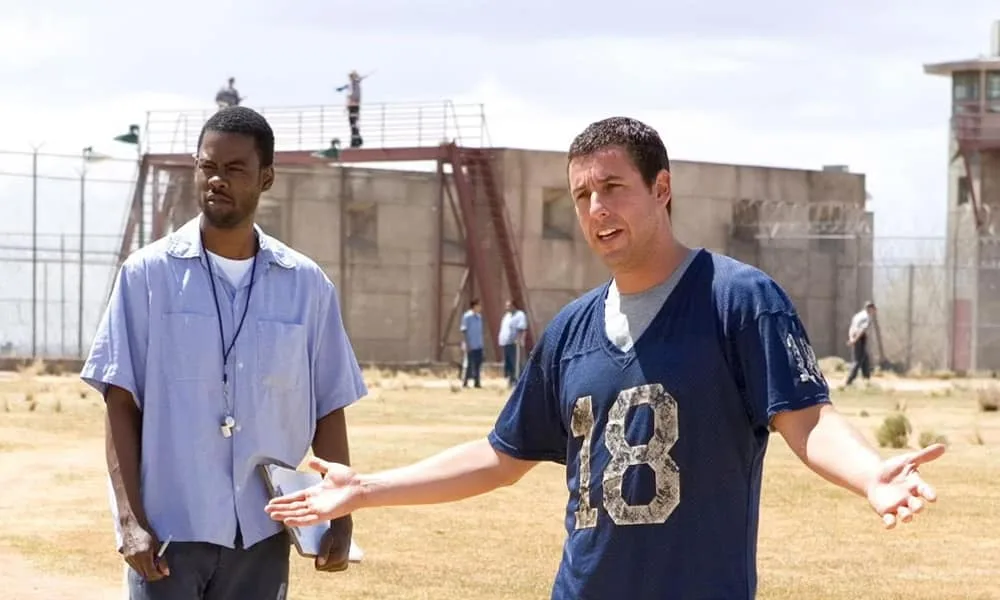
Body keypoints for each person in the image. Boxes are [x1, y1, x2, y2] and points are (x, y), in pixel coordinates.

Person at [264, 117, 945, 599]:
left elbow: (807, 418)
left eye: (613, 187)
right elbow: (503, 456)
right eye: (582, 195)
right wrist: (369, 488)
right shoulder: (570, 329)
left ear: (662, 189)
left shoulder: (738, 299)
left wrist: (870, 475)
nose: (595, 208)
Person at [82, 106, 367, 600]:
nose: (217, 179)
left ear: (266, 178)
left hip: (263, 533)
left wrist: (338, 515)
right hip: (170, 535)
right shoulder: (146, 277)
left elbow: (329, 406)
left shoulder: (306, 286)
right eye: (208, 166)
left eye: (235, 169)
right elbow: (120, 403)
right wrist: (129, 522)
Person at [844, 300, 876, 387]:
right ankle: (849, 380)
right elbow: (862, 330)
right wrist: (854, 340)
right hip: (860, 339)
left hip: (854, 337)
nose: (874, 311)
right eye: (873, 309)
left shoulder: (857, 316)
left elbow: (851, 328)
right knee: (857, 360)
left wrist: (851, 338)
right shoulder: (867, 317)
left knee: (865, 358)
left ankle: (867, 378)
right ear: (870, 308)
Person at [497, 299, 527, 387]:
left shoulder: (520, 315)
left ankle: (518, 381)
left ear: (513, 306)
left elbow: (522, 328)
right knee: (509, 363)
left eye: (508, 306)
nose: (507, 308)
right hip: (506, 342)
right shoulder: (507, 316)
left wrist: (519, 340)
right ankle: (511, 380)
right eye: (506, 306)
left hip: (515, 343)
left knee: (516, 363)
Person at [459, 298, 484, 388]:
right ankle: (465, 382)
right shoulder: (467, 316)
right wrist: (467, 344)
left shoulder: (479, 317)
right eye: (479, 305)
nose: (480, 307)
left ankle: (477, 382)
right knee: (468, 364)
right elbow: (464, 331)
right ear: (474, 306)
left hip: (478, 344)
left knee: (478, 364)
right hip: (470, 345)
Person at [335, 70, 363, 148]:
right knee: (353, 124)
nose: (350, 78)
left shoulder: (356, 83)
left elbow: (354, 95)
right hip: (351, 106)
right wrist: (341, 88)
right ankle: (357, 140)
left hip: (354, 106)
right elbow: (347, 86)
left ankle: (356, 141)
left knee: (354, 124)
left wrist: (350, 99)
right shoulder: (352, 84)